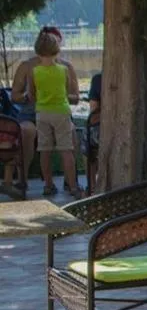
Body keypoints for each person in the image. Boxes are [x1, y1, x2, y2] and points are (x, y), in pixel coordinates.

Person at [26, 29, 81, 196]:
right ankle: (72, 186)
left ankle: (48, 185)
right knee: (66, 150)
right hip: (61, 111)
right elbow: (66, 92)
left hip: (42, 112)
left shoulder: (34, 71)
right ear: (57, 49)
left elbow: (31, 94)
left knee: (44, 150)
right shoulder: (63, 70)